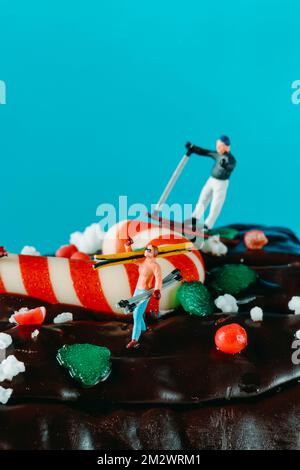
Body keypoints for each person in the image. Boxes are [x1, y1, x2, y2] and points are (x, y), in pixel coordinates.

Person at [186, 136, 236, 231]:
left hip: (221, 183)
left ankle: (207, 225)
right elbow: (205, 152)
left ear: (226, 147)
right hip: (211, 180)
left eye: (220, 146)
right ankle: (194, 218)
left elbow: (231, 166)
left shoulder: (231, 159)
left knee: (216, 204)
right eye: (217, 146)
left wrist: (225, 165)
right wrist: (193, 148)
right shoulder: (217, 154)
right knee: (203, 198)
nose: (217, 148)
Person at [125, 238, 162, 349]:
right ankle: (144, 329)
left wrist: (157, 290)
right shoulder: (144, 262)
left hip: (145, 292)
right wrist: (127, 246)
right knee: (137, 312)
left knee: (136, 314)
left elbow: (159, 279)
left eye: (149, 250)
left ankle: (134, 339)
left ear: (154, 253)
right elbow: (131, 259)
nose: (146, 250)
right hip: (137, 290)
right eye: (146, 249)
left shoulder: (156, 266)